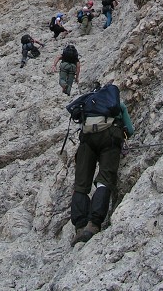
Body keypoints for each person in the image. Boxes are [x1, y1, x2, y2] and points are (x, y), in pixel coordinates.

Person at [70, 83, 134, 245]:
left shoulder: (88, 104)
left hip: (87, 140)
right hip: (110, 138)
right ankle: (93, 224)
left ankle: (80, 226)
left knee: (81, 184)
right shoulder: (116, 104)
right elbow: (130, 130)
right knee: (104, 179)